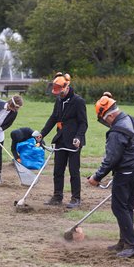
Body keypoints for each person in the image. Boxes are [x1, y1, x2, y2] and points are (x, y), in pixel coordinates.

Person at [88, 95, 134, 258]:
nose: (106, 123)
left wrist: (96, 177)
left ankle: (132, 246)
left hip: (126, 172)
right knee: (127, 208)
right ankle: (124, 242)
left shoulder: (116, 131)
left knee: (119, 208)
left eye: (105, 119)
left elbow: (112, 158)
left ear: (110, 115)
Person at [37, 72, 88, 208]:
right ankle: (57, 196)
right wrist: (42, 134)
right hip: (60, 139)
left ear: (66, 87)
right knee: (58, 170)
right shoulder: (59, 100)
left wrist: (78, 137)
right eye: (57, 92)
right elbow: (54, 118)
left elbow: (83, 123)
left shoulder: (78, 101)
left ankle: (76, 198)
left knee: (73, 170)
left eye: (60, 91)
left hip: (73, 142)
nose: (58, 94)